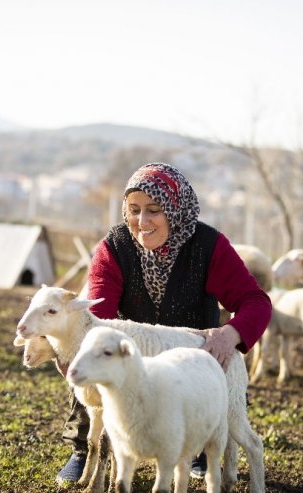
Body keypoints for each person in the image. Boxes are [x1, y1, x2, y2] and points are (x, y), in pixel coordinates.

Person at [56, 162, 272, 485]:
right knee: (92, 358)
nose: (142, 222)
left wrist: (230, 334)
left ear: (175, 209)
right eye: (134, 210)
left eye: (154, 210)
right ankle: (86, 448)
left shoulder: (208, 247)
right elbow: (99, 320)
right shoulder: (113, 249)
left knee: (205, 387)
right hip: (130, 355)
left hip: (188, 356)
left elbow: (256, 302)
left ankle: (197, 447)